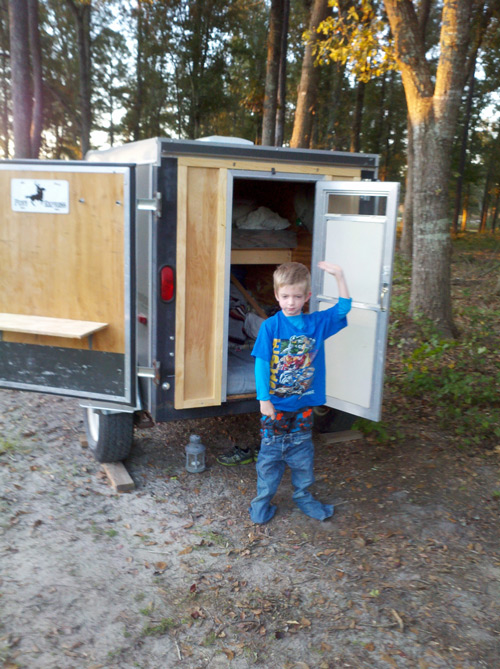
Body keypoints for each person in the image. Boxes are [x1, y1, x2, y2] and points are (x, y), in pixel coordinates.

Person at [248, 260, 351, 524]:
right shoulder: (270, 327)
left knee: (302, 456)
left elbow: (343, 308)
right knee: (269, 458)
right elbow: (261, 362)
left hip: (304, 406)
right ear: (276, 296)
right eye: (284, 296)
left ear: (307, 297)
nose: (290, 302)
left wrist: (339, 276)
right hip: (275, 406)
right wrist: (263, 399)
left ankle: (303, 496)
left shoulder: (316, 324)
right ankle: (262, 503)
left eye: (296, 296)